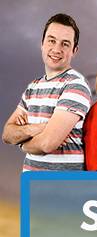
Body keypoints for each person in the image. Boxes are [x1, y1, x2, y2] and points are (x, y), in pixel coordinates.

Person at [3, 13, 90, 171]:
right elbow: (7, 134)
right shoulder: (33, 87)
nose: (56, 49)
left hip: (63, 189)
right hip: (33, 187)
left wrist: (22, 143)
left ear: (74, 50)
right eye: (51, 40)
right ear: (42, 44)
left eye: (65, 44)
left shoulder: (75, 85)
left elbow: (47, 143)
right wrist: (36, 128)